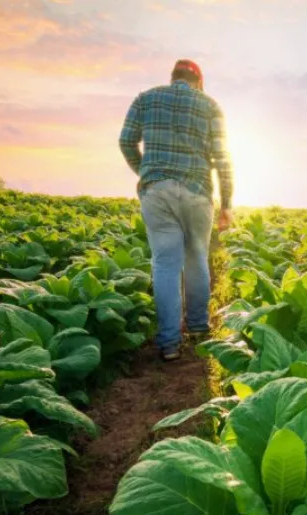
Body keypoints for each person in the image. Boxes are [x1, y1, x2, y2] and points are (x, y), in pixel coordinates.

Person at [118, 59, 234, 361]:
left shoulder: (145, 98)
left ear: (173, 78)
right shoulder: (210, 105)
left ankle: (169, 344)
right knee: (197, 258)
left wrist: (146, 171)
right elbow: (222, 158)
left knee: (166, 264)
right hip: (197, 192)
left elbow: (126, 141)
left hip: (158, 191)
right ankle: (197, 328)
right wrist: (227, 203)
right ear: (199, 82)